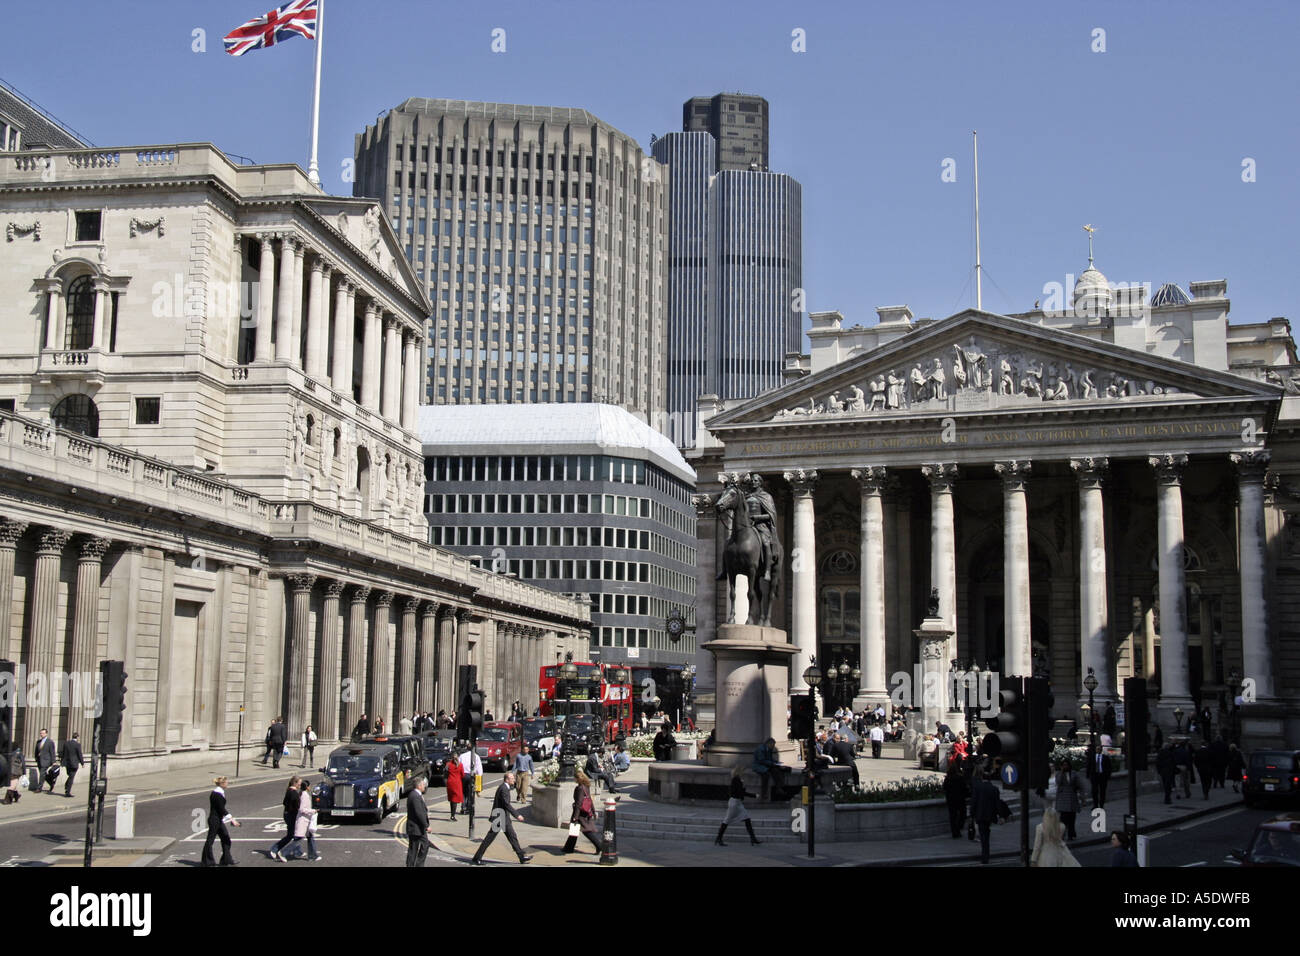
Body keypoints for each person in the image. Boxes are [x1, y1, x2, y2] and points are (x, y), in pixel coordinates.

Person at [470, 770, 532, 865]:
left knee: (512, 837)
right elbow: (506, 804)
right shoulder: (503, 789)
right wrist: (517, 815)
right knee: (489, 839)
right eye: (512, 778)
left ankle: (521, 856)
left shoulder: (505, 788)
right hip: (500, 817)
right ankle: (477, 858)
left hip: (503, 817)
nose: (514, 780)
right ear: (507, 779)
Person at [201, 776, 241, 866]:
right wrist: (232, 819)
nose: (228, 783)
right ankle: (207, 862)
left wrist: (228, 818)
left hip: (218, 820)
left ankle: (226, 860)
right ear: (222, 784)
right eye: (226, 782)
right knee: (210, 840)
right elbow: (221, 809)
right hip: (214, 820)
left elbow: (220, 810)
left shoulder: (219, 792)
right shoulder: (217, 794)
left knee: (226, 839)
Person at [715, 767, 761, 846]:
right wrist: (753, 795)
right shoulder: (736, 780)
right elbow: (741, 792)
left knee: (747, 819)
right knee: (727, 820)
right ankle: (719, 838)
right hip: (734, 803)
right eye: (742, 771)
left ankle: (753, 838)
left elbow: (740, 792)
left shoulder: (737, 780)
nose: (743, 773)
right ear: (739, 772)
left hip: (737, 803)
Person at [563, 769, 603, 854]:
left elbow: (579, 803)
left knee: (586, 831)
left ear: (578, 778)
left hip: (580, 813)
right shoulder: (586, 786)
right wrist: (592, 810)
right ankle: (568, 848)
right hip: (586, 811)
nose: (574, 779)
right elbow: (590, 800)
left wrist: (575, 817)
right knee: (575, 830)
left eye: (575, 778)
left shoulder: (580, 788)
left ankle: (599, 845)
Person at [970, 766, 1000, 864]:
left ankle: (985, 856)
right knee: (986, 834)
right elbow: (997, 804)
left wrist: (972, 814)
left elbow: (974, 801)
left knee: (983, 836)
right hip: (989, 815)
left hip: (980, 814)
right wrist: (999, 815)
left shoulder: (978, 788)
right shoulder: (994, 789)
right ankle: (985, 854)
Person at [269, 775, 303, 860]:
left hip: (287, 814)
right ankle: (274, 849)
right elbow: (297, 806)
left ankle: (297, 851)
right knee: (291, 835)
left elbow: (284, 803)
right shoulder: (294, 793)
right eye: (299, 783)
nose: (300, 785)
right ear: (295, 783)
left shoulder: (289, 790)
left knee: (295, 834)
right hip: (291, 816)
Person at [288, 779, 322, 862]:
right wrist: (313, 811)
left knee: (308, 837)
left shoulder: (302, 794)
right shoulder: (304, 795)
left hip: (305, 820)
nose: (310, 787)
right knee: (299, 838)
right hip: (304, 820)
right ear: (307, 787)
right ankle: (284, 852)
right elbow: (302, 809)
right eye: (309, 786)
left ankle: (310, 855)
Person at [1053, 758, 1085, 840]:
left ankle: (1071, 834)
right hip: (1063, 798)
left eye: (1066, 765)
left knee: (1072, 818)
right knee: (1063, 818)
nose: (1065, 766)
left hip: (1072, 797)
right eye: (1063, 765)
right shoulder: (1059, 774)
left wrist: (1082, 797)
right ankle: (1062, 834)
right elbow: (1058, 782)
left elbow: (1080, 785)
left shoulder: (1074, 774)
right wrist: (1062, 771)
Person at [405, 777, 431, 867]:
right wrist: (426, 825)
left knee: (416, 848)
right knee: (419, 847)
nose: (424, 786)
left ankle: (413, 864)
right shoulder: (415, 796)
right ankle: (417, 864)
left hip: (417, 828)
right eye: (423, 784)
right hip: (416, 828)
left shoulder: (415, 795)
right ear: (419, 786)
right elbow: (419, 813)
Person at [459, 746, 484, 837]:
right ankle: (469, 808)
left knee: (463, 792)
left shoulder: (462, 755)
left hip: (463, 775)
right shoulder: (476, 756)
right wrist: (479, 778)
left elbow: (459, 765)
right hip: (471, 775)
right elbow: (479, 769)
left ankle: (463, 807)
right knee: (470, 793)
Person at [943, 760, 969, 839]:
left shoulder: (948, 779)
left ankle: (955, 832)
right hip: (960, 799)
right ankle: (959, 827)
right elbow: (965, 789)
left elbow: (945, 788)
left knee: (953, 816)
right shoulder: (960, 778)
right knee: (962, 814)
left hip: (951, 800)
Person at [58, 732, 84, 798]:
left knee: (70, 775)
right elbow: (79, 754)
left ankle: (67, 785)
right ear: (77, 737)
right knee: (71, 777)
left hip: (67, 763)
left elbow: (63, 753)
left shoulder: (66, 743)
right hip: (74, 763)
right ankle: (67, 791)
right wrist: (82, 763)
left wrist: (62, 762)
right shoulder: (77, 745)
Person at [445, 746, 465, 821]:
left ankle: (452, 814)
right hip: (457, 783)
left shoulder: (448, 764)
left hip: (450, 782)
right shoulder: (460, 765)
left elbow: (446, 773)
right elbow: (462, 775)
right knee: (455, 800)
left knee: (451, 799)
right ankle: (453, 816)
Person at [35, 728, 56, 792]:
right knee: (44, 774)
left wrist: (53, 761)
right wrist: (36, 758)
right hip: (39, 760)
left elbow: (52, 752)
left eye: (43, 733)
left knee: (42, 774)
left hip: (46, 760)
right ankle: (51, 783)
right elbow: (36, 751)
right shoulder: (38, 742)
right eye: (41, 733)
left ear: (46, 734)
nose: (41, 734)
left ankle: (39, 788)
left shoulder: (50, 742)